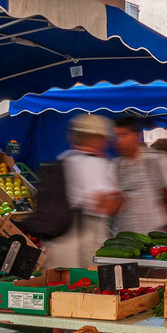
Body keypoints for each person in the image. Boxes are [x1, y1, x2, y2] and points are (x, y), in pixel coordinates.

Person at [48, 114, 121, 269]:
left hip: (63, 237)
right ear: (94, 138)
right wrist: (118, 199)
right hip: (84, 235)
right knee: (85, 283)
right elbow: (104, 205)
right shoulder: (95, 163)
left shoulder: (65, 158)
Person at [114, 118, 167, 235]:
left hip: (153, 229)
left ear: (136, 136)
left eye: (124, 135)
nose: (120, 140)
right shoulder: (116, 165)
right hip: (126, 232)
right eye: (117, 136)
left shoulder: (154, 160)